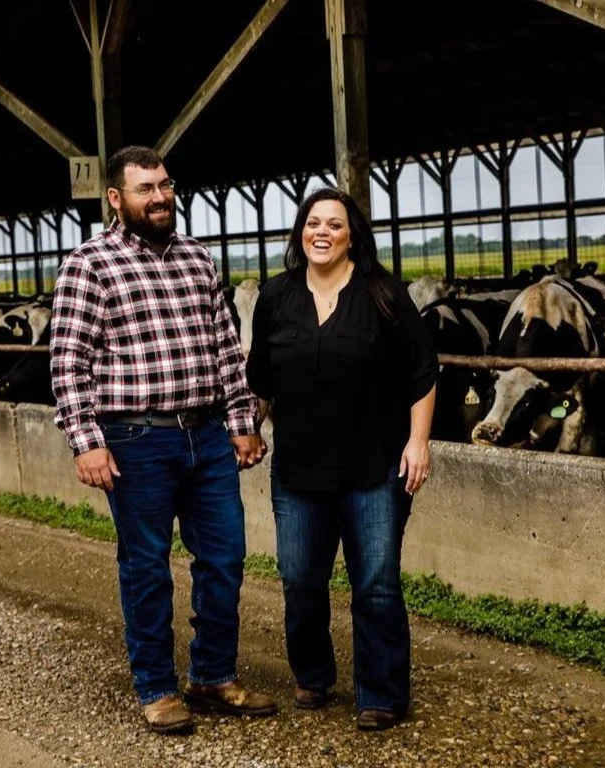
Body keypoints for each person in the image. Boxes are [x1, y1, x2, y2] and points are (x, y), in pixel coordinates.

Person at [50, 146, 276, 736]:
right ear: (117, 199)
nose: (160, 197)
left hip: (206, 435)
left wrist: (243, 421)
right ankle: (156, 686)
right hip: (136, 441)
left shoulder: (198, 259)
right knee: (147, 566)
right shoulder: (89, 264)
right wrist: (86, 441)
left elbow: (227, 349)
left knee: (224, 559)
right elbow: (69, 360)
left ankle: (212, 676)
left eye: (166, 185)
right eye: (146, 189)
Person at [246, 187, 438, 731]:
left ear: (352, 233)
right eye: (313, 223)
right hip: (299, 472)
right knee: (300, 581)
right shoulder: (276, 297)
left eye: (334, 223)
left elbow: (423, 373)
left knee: (376, 583)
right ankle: (313, 674)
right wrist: (248, 431)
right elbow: (260, 379)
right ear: (300, 233)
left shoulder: (382, 294)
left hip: (374, 468)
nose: (322, 232)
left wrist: (417, 442)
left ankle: (381, 693)